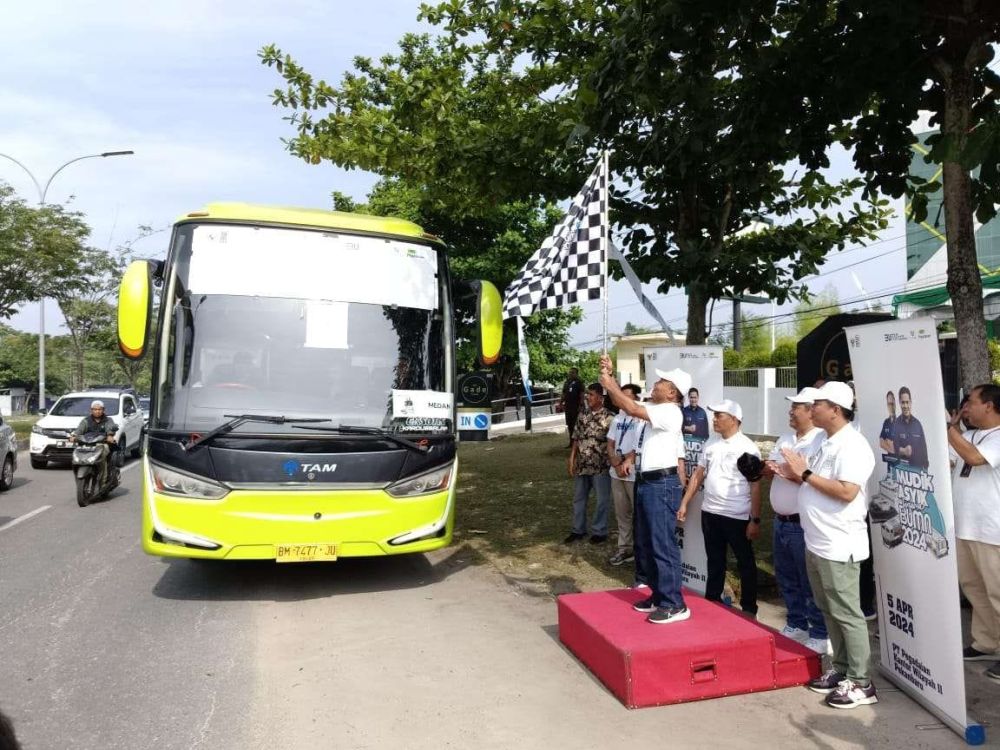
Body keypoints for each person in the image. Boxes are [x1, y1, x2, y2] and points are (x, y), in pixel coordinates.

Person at [780, 381, 878, 709]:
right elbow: (811, 478)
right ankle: (841, 669)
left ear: (835, 409)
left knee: (847, 613)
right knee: (828, 609)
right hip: (817, 540)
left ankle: (862, 682)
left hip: (839, 543)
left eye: (817, 404)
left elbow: (847, 491)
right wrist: (791, 473)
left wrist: (804, 473)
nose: (811, 409)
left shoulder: (853, 445)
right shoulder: (824, 439)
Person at [599, 354, 691, 624]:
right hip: (648, 481)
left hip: (662, 483)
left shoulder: (670, 411)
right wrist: (609, 377)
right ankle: (659, 594)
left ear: (672, 392)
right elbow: (625, 403)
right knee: (647, 542)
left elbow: (631, 407)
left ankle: (674, 603)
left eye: (662, 382)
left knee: (662, 543)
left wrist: (611, 384)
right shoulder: (656, 408)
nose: (656, 384)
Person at [679, 399, 761, 616]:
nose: (714, 419)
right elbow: (698, 475)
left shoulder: (748, 447)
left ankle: (749, 608)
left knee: (745, 563)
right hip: (711, 513)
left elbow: (755, 486)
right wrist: (685, 503)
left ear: (734, 419)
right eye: (713, 415)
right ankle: (712, 602)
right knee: (714, 560)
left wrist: (754, 519)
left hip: (737, 515)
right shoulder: (710, 444)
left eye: (719, 416)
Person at [764, 387, 829, 653]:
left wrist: (790, 472)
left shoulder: (818, 441)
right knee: (787, 576)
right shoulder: (785, 438)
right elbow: (778, 467)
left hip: (801, 522)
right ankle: (796, 622)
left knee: (809, 580)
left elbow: (809, 478)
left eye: (797, 407)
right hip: (781, 520)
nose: (791, 411)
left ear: (812, 410)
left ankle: (820, 632)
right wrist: (772, 469)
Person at [947, 383, 1000, 682]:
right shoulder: (967, 435)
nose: (965, 407)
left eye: (971, 401)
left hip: (992, 530)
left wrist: (949, 429)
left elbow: (975, 458)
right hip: (965, 526)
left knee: (998, 592)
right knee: (973, 587)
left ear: (989, 406)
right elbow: (951, 459)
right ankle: (986, 642)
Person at [564, 384, 614, 545]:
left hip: (601, 466)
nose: (587, 397)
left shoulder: (610, 418)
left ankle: (599, 531)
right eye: (587, 395)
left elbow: (613, 444)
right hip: (583, 465)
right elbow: (576, 438)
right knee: (579, 499)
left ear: (601, 397)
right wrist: (572, 459)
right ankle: (577, 530)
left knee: (602, 500)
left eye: (591, 395)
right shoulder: (582, 415)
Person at [607, 384, 642, 566]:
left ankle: (641, 551)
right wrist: (614, 460)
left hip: (633, 473)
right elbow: (610, 442)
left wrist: (623, 460)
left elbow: (639, 446)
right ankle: (625, 549)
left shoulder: (640, 419)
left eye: (626, 396)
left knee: (639, 514)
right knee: (622, 514)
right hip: (616, 472)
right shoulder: (617, 418)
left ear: (635, 399)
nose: (622, 400)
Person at [71, 400, 118, 486]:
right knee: (76, 455)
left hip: (101, 444)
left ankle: (103, 481)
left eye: (99, 409)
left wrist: (110, 436)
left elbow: (110, 428)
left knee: (103, 454)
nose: (97, 411)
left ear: (103, 410)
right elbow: (79, 430)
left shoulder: (108, 420)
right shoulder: (86, 421)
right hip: (87, 444)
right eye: (95, 409)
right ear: (91, 410)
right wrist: (74, 436)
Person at [891, 386, 928, 469]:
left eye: (907, 402)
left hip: (918, 474)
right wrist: (903, 451)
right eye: (903, 402)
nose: (905, 406)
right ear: (899, 403)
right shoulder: (896, 424)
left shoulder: (918, 424)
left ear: (911, 402)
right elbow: (893, 448)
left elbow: (924, 450)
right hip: (903, 472)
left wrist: (925, 469)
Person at [561, 367, 584, 448]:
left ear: (576, 373)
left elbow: (582, 394)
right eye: (570, 372)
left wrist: (581, 405)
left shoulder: (579, 382)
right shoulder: (567, 382)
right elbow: (564, 393)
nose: (570, 374)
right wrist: (561, 402)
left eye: (573, 372)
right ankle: (571, 442)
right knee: (570, 425)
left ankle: (578, 443)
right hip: (568, 406)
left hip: (576, 406)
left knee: (577, 425)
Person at [879, 390, 896, 455]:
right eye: (889, 404)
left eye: (892, 404)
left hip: (900, 463)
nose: (891, 406)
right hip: (889, 462)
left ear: (895, 404)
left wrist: (887, 442)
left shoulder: (900, 421)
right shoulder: (886, 422)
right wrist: (893, 449)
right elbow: (881, 443)